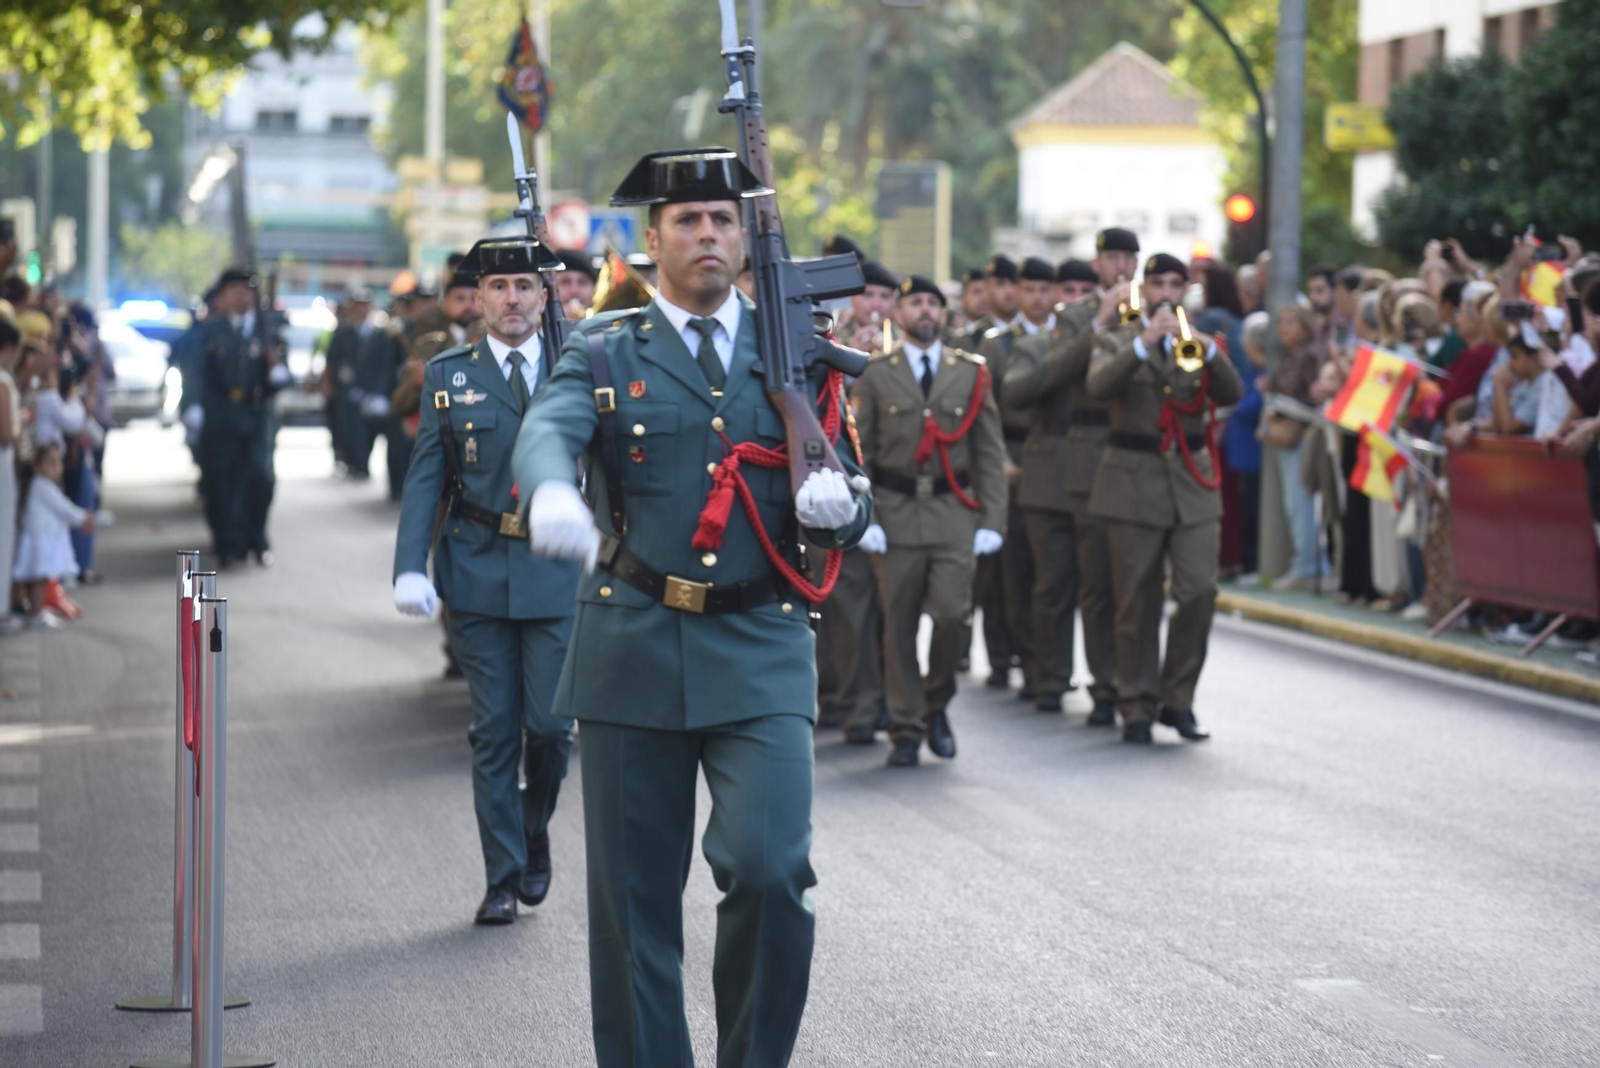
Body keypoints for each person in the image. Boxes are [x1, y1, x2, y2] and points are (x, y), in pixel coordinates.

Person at [512, 149, 872, 1067]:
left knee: (771, 871)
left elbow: (848, 478)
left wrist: (843, 507)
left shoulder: (797, 351)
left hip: (762, 643)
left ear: (743, 235)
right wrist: (551, 489)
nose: (707, 235)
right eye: (686, 222)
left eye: (721, 219)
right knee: (635, 907)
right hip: (634, 645)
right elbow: (549, 429)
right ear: (651, 240)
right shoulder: (603, 348)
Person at [391, 232, 579, 926]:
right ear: (479, 299)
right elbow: (426, 482)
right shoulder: (450, 374)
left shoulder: (578, 365)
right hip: (476, 570)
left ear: (544, 294)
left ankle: (534, 827)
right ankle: (502, 876)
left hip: (558, 573)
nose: (511, 299)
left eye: (524, 285)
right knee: (495, 732)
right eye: (497, 288)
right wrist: (411, 565)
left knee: (552, 730)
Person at [1086, 253, 1243, 743]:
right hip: (1132, 482)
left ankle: (1178, 700)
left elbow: (1232, 392)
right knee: (1137, 600)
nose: (1169, 292)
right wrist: (1143, 343)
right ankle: (1135, 703)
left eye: (1178, 284)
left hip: (1191, 482)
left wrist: (1203, 348)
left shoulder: (1200, 342)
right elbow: (1096, 387)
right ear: (1145, 289)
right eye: (1160, 284)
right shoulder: (1114, 337)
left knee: (1199, 591)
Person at [853, 274, 1007, 764]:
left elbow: (989, 453)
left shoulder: (971, 372)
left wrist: (992, 522)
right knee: (897, 624)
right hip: (895, 513)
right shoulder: (876, 374)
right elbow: (864, 455)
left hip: (952, 513)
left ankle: (935, 704)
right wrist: (867, 516)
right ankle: (905, 727)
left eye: (932, 304)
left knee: (951, 618)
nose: (924, 310)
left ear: (944, 314)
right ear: (899, 314)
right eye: (914, 302)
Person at [999, 228, 1139, 725]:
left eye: (1128, 256)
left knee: (1101, 585)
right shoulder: (1068, 323)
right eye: (1111, 257)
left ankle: (1109, 687)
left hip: (1112, 465)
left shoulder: (1150, 319)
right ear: (1097, 262)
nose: (1120, 266)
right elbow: (1028, 387)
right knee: (1051, 584)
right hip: (1053, 468)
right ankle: (1049, 676)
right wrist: (1095, 324)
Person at [815, 261, 893, 740]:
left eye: (887, 297)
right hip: (850, 489)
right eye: (870, 297)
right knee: (849, 608)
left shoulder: (908, 350)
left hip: (904, 499)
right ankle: (855, 705)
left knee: (894, 612)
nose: (877, 306)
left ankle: (889, 701)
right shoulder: (831, 345)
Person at [977, 256, 1055, 698]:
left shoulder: (1063, 336)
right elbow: (984, 408)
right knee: (1007, 569)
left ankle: (1038, 661)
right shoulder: (996, 343)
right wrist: (998, 458)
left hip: (1048, 457)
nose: (1035, 298)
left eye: (1047, 289)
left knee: (1044, 571)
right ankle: (1005, 655)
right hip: (1008, 452)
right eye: (1028, 289)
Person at [193, 268, 287, 567]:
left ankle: (257, 538)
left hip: (258, 412)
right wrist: (192, 406)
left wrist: (277, 370)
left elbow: (283, 378)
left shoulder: (268, 329)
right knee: (222, 479)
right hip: (221, 412)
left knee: (262, 476)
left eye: (246, 290)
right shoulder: (212, 331)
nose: (241, 295)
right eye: (234, 290)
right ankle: (227, 543)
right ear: (224, 296)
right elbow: (196, 372)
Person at [1262, 303, 1327, 589]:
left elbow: (1309, 398)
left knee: (1301, 502)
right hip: (1288, 436)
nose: (1284, 328)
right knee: (1293, 502)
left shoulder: (1309, 356)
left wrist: (1277, 401)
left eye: (1291, 322)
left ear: (1305, 325)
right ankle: (1305, 563)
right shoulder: (1292, 356)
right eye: (1280, 323)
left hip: (1300, 435)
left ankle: (1308, 565)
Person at [12, 444, 94, 630]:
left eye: (58, 462)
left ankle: (36, 610)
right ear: (37, 466)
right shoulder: (42, 486)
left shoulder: (43, 485)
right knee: (39, 578)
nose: (57, 467)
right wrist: (83, 517)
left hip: (42, 540)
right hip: (39, 542)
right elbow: (63, 508)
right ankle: (36, 612)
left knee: (39, 578)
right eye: (51, 463)